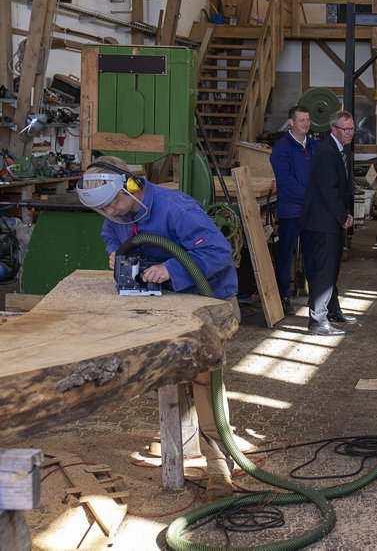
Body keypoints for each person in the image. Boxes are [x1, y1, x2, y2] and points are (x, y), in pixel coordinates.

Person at [76, 155, 239, 501]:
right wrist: (114, 254)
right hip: (167, 301)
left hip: (209, 298)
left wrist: (170, 271)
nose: (112, 213)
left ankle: (219, 465)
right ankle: (184, 438)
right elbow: (111, 234)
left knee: (202, 375)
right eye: (103, 209)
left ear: (132, 186)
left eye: (114, 204)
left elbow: (218, 252)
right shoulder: (118, 209)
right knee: (166, 369)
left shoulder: (176, 208)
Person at [301, 109, 358, 335]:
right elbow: (328, 190)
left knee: (332, 267)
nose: (350, 133)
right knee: (325, 270)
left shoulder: (339, 149)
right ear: (334, 129)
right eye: (346, 129)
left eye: (352, 129)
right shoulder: (326, 152)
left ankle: (332, 310)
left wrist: (345, 213)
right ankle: (317, 320)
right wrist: (342, 216)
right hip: (322, 220)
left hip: (331, 219)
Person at [269, 105, 318, 315]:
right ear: (291, 122)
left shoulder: (315, 146)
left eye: (307, 120)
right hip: (291, 210)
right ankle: (284, 296)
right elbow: (286, 182)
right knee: (285, 254)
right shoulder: (281, 149)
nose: (306, 123)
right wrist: (311, 197)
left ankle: (316, 297)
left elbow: (321, 174)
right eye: (301, 120)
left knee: (312, 254)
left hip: (311, 211)